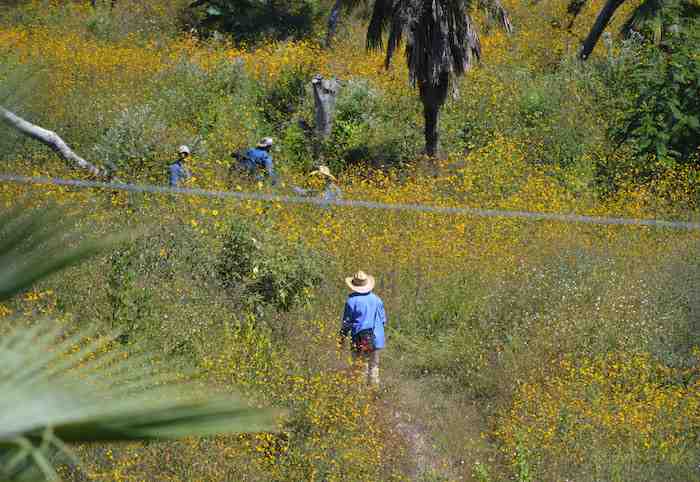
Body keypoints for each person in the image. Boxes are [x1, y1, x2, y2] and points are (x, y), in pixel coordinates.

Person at [340, 270, 386, 386]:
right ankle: (373, 391)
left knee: (360, 366)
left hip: (360, 337)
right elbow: (383, 320)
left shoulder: (351, 302)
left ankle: (360, 394)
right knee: (374, 366)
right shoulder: (377, 299)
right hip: (376, 337)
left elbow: (347, 323)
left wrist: (342, 338)